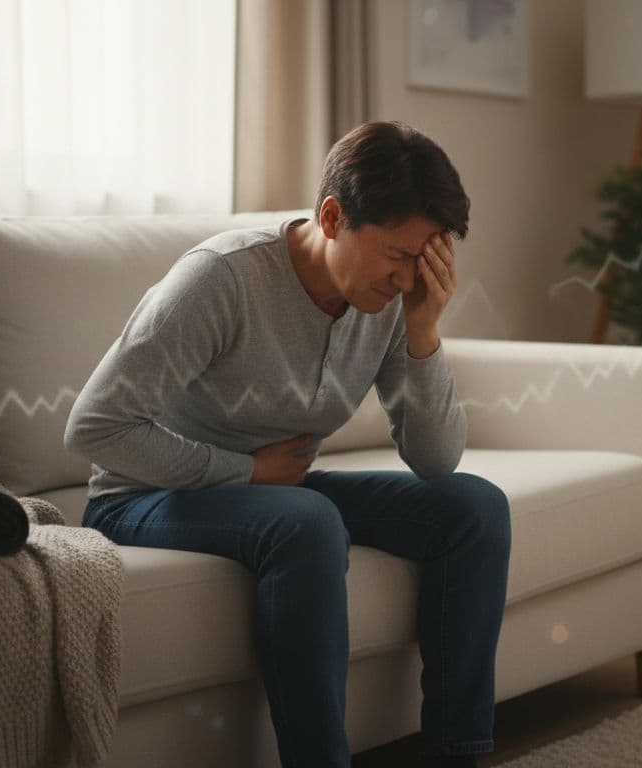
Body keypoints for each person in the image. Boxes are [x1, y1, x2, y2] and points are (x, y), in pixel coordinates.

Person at [64, 121, 511, 767]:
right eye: (398, 254)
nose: (411, 276)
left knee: (473, 507)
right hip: (143, 497)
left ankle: (456, 751)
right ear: (332, 216)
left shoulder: (391, 301)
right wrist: (245, 472)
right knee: (306, 520)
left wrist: (423, 330)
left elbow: (435, 460)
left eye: (427, 256)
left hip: (277, 488)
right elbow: (95, 428)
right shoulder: (221, 279)